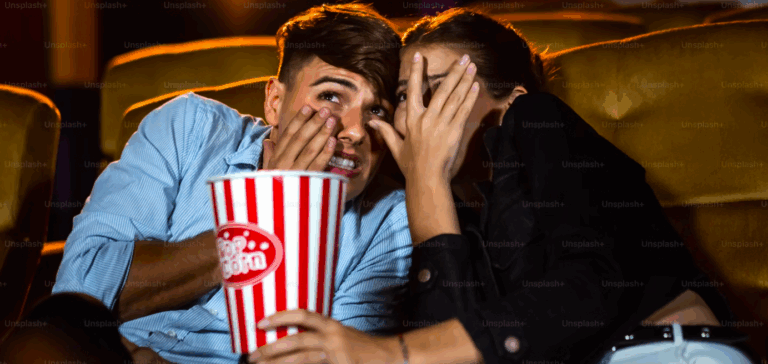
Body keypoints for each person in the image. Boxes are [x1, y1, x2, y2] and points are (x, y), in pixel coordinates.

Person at [248, 8, 759, 364]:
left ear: (508, 99)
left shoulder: (538, 121)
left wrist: (391, 354)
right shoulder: (437, 204)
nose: (415, 114)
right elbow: (455, 346)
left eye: (436, 90)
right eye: (403, 97)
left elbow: (594, 284)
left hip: (665, 351)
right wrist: (428, 192)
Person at [0, 4, 413, 364]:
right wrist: (263, 208)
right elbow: (81, 289)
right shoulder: (188, 128)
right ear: (274, 101)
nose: (357, 132)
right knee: (45, 339)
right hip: (109, 354)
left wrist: (281, 205)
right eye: (332, 97)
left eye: (377, 109)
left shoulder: (389, 216)